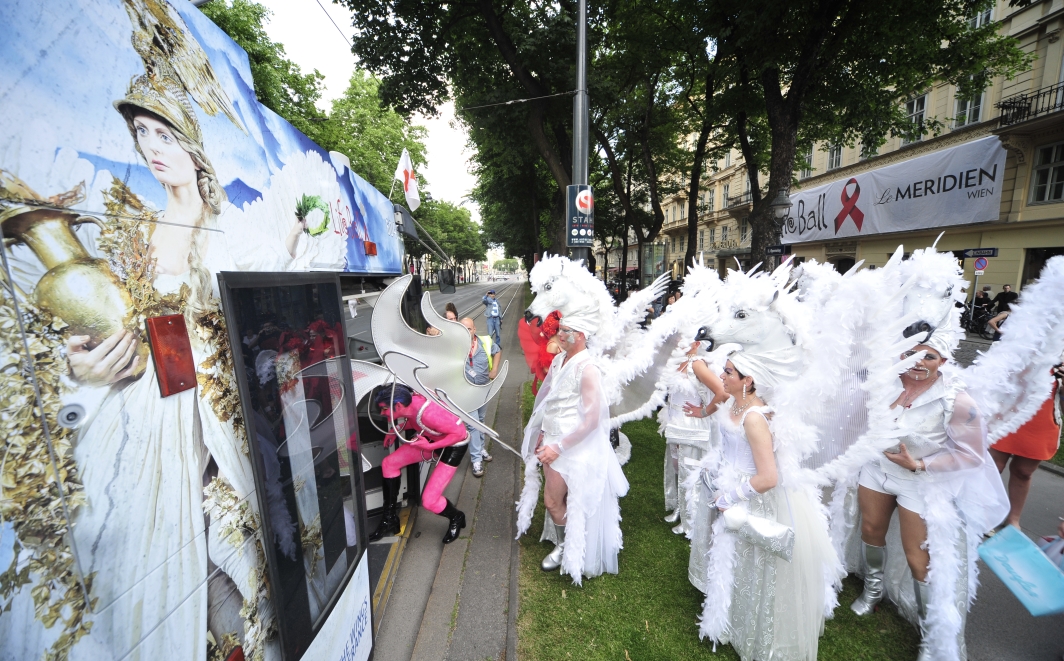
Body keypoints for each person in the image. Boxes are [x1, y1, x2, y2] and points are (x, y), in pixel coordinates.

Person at [849, 336, 1007, 660]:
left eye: (930, 356)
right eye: (911, 353)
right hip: (877, 469)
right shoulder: (886, 382)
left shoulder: (957, 400)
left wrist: (920, 464)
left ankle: (928, 632)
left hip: (919, 482)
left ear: (944, 362)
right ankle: (873, 589)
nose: (919, 362)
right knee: (870, 531)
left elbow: (973, 456)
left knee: (918, 560)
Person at [692, 357, 834, 661]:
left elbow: (769, 477)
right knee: (724, 559)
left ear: (748, 380)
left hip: (749, 495)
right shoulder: (734, 402)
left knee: (746, 566)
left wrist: (731, 496)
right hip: (725, 484)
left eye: (728, 372)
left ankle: (744, 627)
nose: (721, 376)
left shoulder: (755, 417)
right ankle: (723, 613)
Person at [516, 313, 629, 584]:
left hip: (574, 447)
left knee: (560, 502)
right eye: (560, 330)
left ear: (581, 335)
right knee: (558, 502)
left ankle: (569, 547)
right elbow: (550, 403)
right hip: (553, 440)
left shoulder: (588, 369)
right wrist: (543, 434)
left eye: (565, 331)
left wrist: (558, 447)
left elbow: (592, 421)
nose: (559, 335)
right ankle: (567, 542)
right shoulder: (559, 359)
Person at [369, 384, 469, 544]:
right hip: (430, 437)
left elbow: (459, 433)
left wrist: (429, 446)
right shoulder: (411, 403)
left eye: (384, 409)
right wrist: (396, 429)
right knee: (389, 464)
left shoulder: (429, 413)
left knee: (429, 501)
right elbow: (414, 421)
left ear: (398, 405)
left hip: (452, 447)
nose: (382, 413)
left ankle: (456, 516)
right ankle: (390, 519)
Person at [989, 359, 1064, 527]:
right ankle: (982, 514)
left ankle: (1013, 519)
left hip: (1040, 420)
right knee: (993, 467)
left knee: (1023, 471)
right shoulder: (1020, 340)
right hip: (1005, 414)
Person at [460, 317, 502, 477]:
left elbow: (497, 351)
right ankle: (476, 459)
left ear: (474, 329)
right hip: (465, 392)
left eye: (469, 329)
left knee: (481, 421)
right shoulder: (456, 345)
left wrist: (495, 369)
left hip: (483, 389)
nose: (466, 332)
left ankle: (481, 448)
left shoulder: (485, 341)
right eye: (463, 329)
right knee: (473, 424)